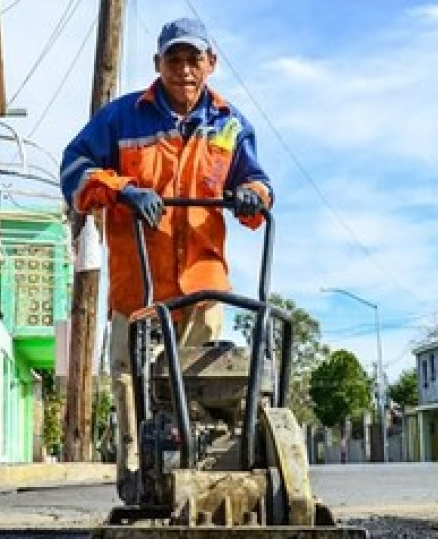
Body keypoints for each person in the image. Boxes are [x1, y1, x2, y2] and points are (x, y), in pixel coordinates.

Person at [60, 17, 273, 504]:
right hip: (140, 289)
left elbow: (260, 181)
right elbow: (75, 169)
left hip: (202, 286)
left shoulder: (230, 125)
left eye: (193, 60)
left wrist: (250, 195)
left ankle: (206, 486)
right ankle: (139, 484)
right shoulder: (120, 119)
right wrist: (122, 189)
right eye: (173, 60)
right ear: (158, 64)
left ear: (211, 64)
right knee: (133, 387)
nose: (184, 70)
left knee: (203, 388)